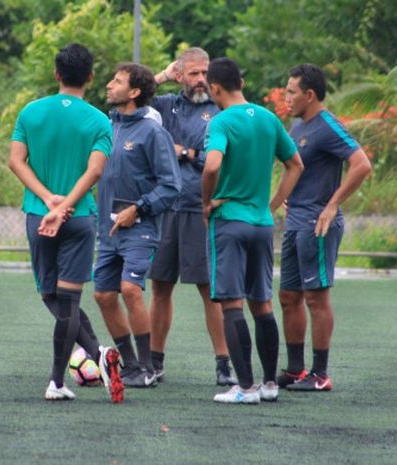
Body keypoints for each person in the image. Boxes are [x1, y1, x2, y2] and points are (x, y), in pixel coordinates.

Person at [8, 43, 123, 402]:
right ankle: (69, 373)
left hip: (39, 215)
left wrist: (48, 200)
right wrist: (67, 206)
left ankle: (71, 373)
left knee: (50, 295)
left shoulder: (30, 112)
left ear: (57, 74)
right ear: (90, 77)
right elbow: (96, 171)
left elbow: (16, 162)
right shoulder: (99, 120)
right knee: (68, 301)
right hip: (80, 218)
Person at [202, 57, 304, 404]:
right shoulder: (268, 118)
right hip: (261, 224)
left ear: (214, 88)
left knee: (232, 304)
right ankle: (269, 385)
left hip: (229, 221)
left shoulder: (221, 121)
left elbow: (212, 164)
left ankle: (244, 388)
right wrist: (271, 205)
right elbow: (295, 165)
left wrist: (207, 200)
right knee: (262, 304)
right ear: (241, 83)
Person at [278, 64, 371, 391]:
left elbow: (362, 164)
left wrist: (332, 205)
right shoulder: (297, 125)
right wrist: (286, 197)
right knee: (288, 295)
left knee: (315, 298)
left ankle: (320, 375)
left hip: (318, 224)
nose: (286, 97)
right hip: (295, 222)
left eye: (291, 92)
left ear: (310, 95)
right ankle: (295, 370)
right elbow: (296, 168)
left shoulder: (328, 125)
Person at [148, 47, 234, 385]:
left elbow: (214, 162)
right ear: (180, 75)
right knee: (160, 288)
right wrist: (161, 76)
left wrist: (183, 152)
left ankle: (224, 363)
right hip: (164, 209)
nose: (201, 80)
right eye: (194, 73)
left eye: (205, 73)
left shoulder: (221, 110)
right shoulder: (166, 104)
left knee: (209, 289)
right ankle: (155, 362)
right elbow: (128, 100)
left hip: (201, 209)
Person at [94, 63, 181, 388]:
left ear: (133, 92)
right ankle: (129, 364)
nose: (108, 85)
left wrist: (139, 209)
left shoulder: (153, 132)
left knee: (130, 289)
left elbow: (171, 187)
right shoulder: (108, 127)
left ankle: (147, 367)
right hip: (108, 231)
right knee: (103, 294)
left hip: (140, 228)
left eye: (116, 82)